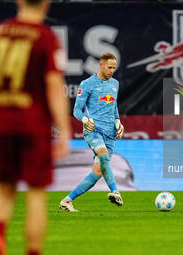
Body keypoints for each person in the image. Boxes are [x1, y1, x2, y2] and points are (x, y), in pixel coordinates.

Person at [0, 0, 71, 254]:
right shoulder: (45, 37)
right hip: (33, 125)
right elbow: (53, 87)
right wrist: (64, 128)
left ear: (18, 1)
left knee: (5, 190)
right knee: (36, 194)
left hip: (2, 124)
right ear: (46, 4)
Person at [59, 53, 124, 212]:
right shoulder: (87, 84)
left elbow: (114, 108)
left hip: (110, 134)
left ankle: (67, 201)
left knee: (97, 172)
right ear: (101, 65)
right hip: (93, 131)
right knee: (103, 156)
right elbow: (76, 110)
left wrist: (118, 122)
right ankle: (115, 191)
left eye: (114, 68)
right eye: (109, 67)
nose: (112, 71)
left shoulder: (115, 83)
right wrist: (85, 121)